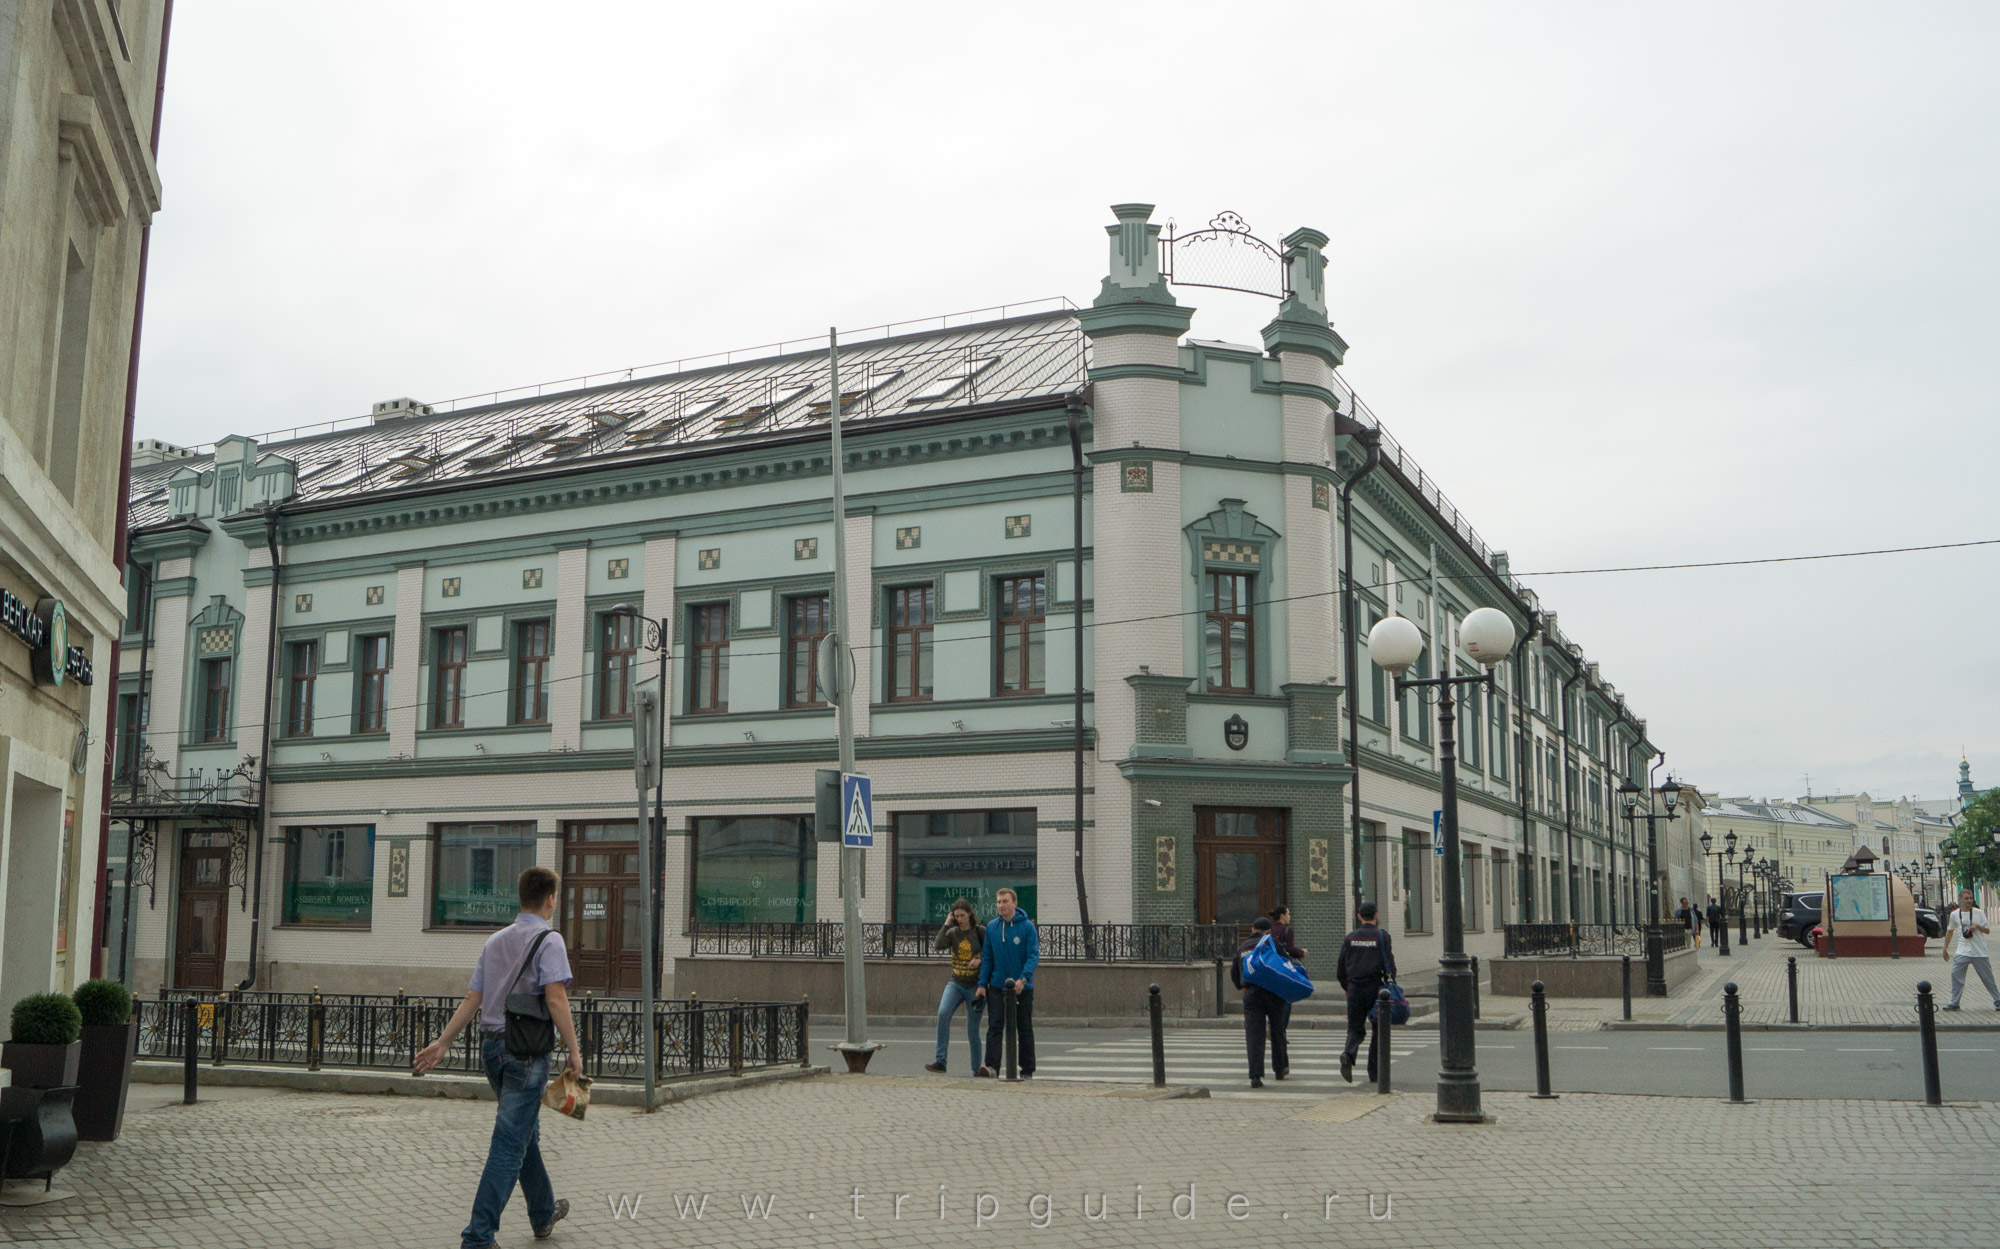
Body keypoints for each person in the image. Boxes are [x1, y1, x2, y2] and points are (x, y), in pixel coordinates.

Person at [416, 866, 581, 1249]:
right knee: (509, 1143)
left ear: (520, 897)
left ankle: (543, 1214)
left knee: (526, 1136)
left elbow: (473, 998)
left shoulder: (495, 942)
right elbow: (556, 998)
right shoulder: (550, 940)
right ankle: (478, 1236)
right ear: (550, 899)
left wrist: (443, 1043)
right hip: (527, 1055)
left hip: (492, 1051)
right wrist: (574, 1052)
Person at [977, 888, 1039, 1078]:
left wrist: (1023, 979)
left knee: (1024, 1028)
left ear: (1014, 903)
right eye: (998, 902)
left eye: (1005, 901)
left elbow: (1032, 956)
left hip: (1022, 987)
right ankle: (992, 1067)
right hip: (997, 985)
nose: (1001, 905)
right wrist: (982, 984)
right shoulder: (992, 927)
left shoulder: (1027, 927)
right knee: (995, 1026)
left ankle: (1027, 1069)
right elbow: (987, 958)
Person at [1336, 902, 1397, 1084]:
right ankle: (1374, 1072)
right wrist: (1392, 982)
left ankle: (1348, 1053)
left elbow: (1341, 966)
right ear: (1376, 916)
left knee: (1355, 1028)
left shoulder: (1351, 937)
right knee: (1378, 1030)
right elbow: (1390, 964)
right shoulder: (1382, 936)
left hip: (1354, 988)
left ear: (1359, 916)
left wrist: (1346, 987)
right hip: (1377, 989)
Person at [925, 898, 986, 1074]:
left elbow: (991, 951)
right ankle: (940, 1060)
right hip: (956, 982)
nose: (960, 919)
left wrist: (980, 958)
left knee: (972, 1030)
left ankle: (976, 1070)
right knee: (943, 1014)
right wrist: (946, 924)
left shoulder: (980, 931)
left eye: (963, 915)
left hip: (975, 985)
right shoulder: (953, 933)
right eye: (956, 916)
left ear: (970, 914)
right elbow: (938, 945)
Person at [1231, 917, 1289, 1088]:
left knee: (1254, 1034)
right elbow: (1286, 963)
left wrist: (1242, 986)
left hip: (1251, 993)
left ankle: (1255, 1075)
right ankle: (1280, 1068)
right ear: (1268, 931)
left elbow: (1235, 972)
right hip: (1273, 992)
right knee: (1277, 1029)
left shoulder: (1242, 947)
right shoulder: (1272, 943)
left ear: (1252, 929)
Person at [1941, 888, 2000, 1012]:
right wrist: (1945, 948)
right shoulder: (1955, 914)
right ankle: (1954, 1003)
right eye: (1966, 898)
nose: (1969, 901)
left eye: (1971, 898)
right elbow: (1950, 931)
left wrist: (1977, 927)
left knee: (1987, 977)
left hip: (1979, 952)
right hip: (1962, 951)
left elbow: (1988, 930)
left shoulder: (1979, 913)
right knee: (1956, 975)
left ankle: (1997, 1000)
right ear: (1960, 899)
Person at [1267, 905, 1307, 1035]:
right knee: (1287, 1000)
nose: (1290, 917)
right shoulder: (1287, 931)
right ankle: (1281, 1031)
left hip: (1271, 967)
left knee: (1273, 999)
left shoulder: (1270, 930)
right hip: (1284, 969)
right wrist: (1301, 952)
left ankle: (1270, 1025)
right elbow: (1290, 950)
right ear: (1282, 916)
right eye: (1288, 914)